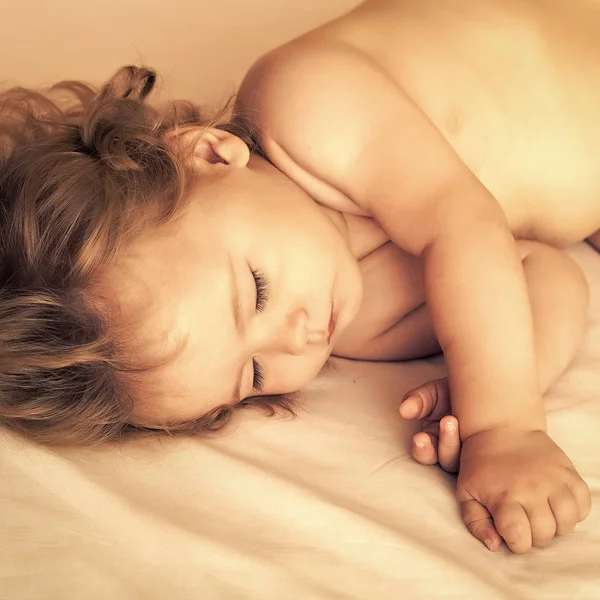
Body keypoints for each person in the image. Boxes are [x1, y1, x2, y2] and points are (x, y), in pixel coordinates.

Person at [0, 0, 596, 554]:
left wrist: (503, 424)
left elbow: (467, 226)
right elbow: (547, 277)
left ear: (209, 154)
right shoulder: (358, 321)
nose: (299, 338)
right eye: (255, 374)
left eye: (257, 290)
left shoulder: (301, 101)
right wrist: (483, 386)